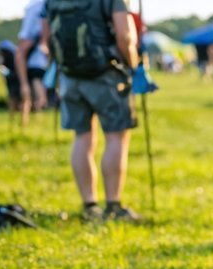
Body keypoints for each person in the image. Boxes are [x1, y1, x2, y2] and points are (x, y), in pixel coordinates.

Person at [42, 0, 140, 220]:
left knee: (82, 138)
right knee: (116, 138)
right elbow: (125, 36)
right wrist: (134, 65)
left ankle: (90, 206)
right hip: (106, 74)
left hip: (69, 77)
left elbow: (46, 37)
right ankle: (113, 206)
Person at [15, 0, 49, 128]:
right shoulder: (40, 6)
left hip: (34, 65)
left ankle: (38, 107)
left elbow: (21, 50)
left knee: (31, 88)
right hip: (40, 66)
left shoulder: (36, 7)